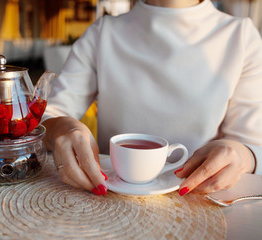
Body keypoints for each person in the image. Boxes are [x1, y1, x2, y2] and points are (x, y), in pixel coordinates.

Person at [41, 0, 262, 196]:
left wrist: (243, 154)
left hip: (198, 199)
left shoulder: (241, 36)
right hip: (111, 200)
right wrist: (60, 127)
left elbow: (252, 145)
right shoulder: (103, 33)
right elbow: (48, 116)